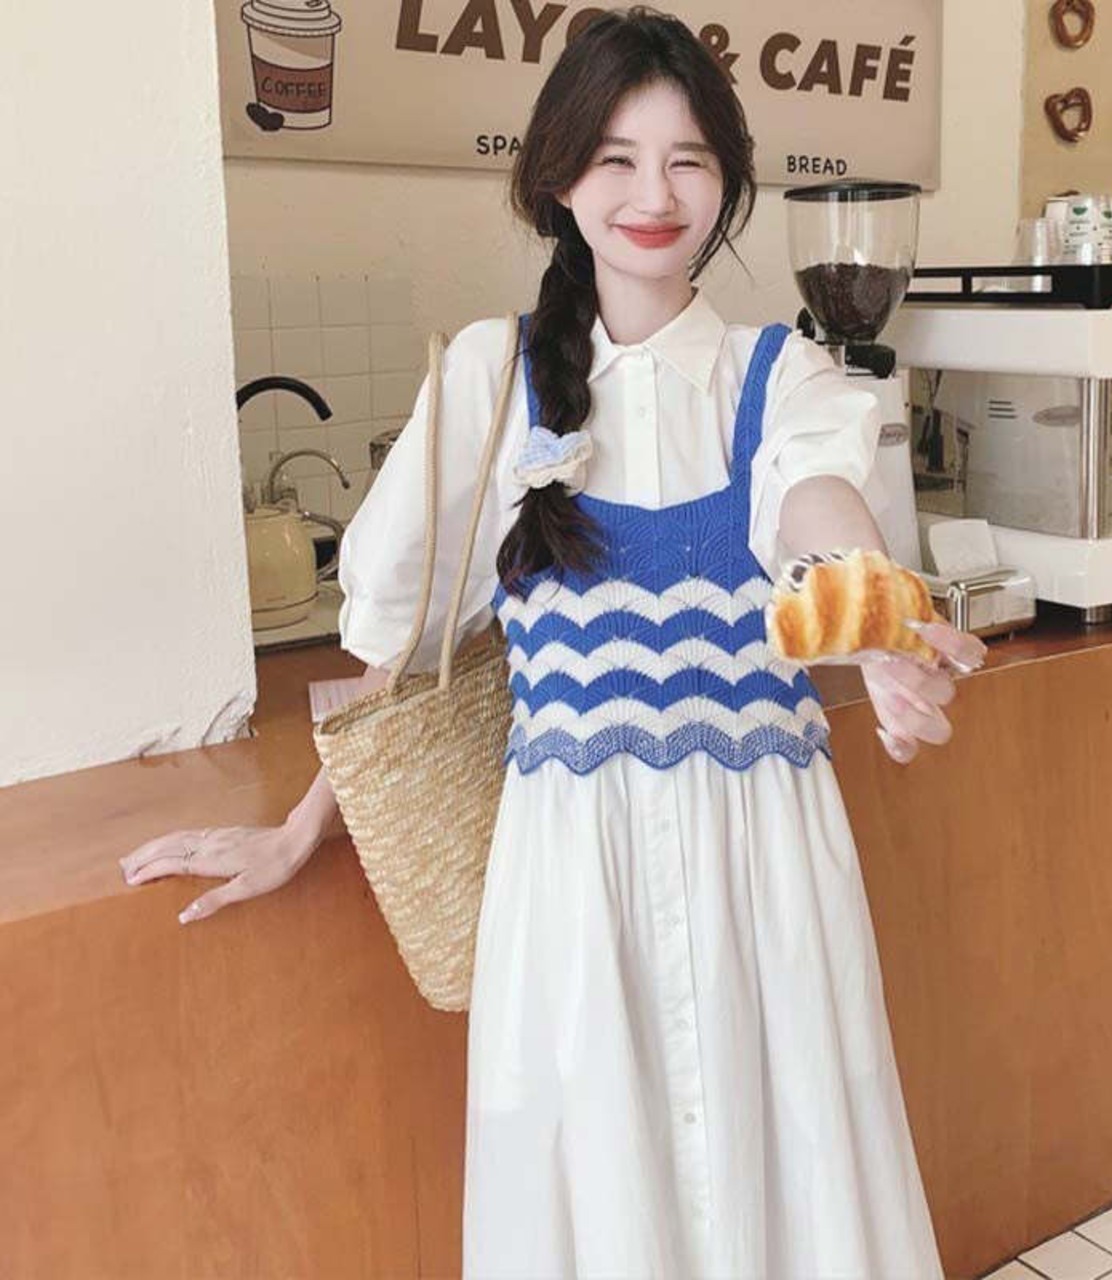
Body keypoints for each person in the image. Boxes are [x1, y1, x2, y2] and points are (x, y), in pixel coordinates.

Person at [121, 7, 986, 1275]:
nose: (653, 195)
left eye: (687, 160)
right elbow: (408, 658)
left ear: (728, 183)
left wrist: (864, 610)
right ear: (556, 177)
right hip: (573, 885)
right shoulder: (492, 380)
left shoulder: (782, 376)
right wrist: (300, 828)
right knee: (599, 1203)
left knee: (791, 1181)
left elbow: (813, 505)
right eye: (614, 157)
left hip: (765, 874)